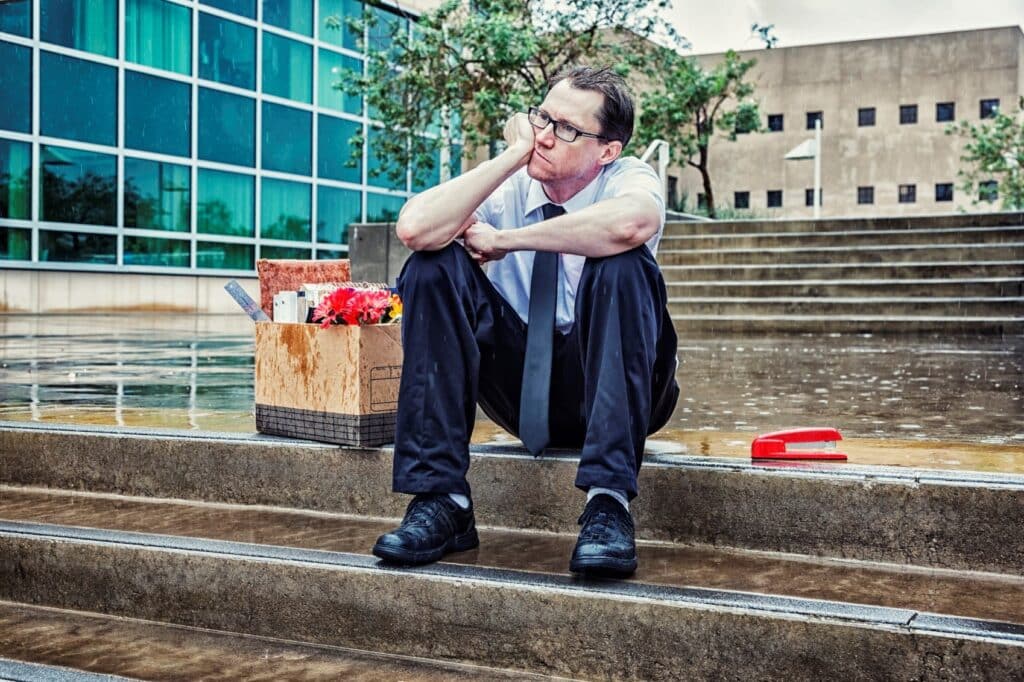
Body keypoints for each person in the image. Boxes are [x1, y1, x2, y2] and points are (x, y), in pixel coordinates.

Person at [371, 65, 679, 577]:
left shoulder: (627, 178)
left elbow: (632, 223)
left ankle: (608, 504)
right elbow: (415, 228)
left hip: (621, 387)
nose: (545, 137)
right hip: (521, 391)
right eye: (542, 119)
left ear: (606, 151)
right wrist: (514, 154)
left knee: (623, 262)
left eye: (567, 129)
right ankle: (443, 500)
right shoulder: (511, 181)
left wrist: (506, 241)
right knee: (431, 265)